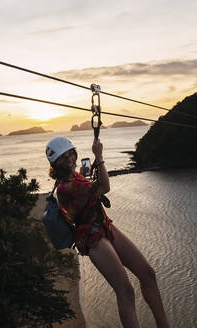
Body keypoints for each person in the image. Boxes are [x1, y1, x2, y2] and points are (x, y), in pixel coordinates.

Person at [45, 136, 170, 328]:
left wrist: (93, 168)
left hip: (105, 227)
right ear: (55, 163)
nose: (70, 158)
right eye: (64, 157)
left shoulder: (75, 177)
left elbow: (90, 186)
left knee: (147, 273)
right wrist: (99, 155)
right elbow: (104, 187)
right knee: (125, 292)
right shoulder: (66, 187)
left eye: (71, 153)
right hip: (92, 238)